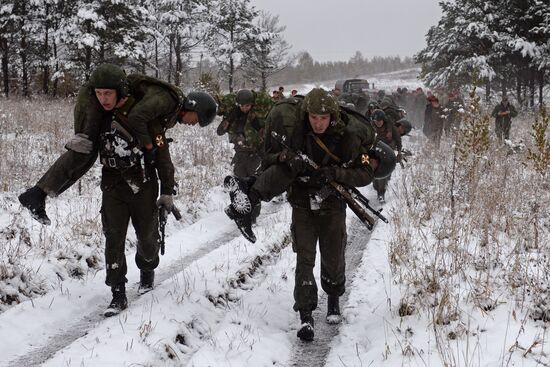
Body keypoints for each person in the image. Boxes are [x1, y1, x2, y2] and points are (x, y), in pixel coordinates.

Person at [19, 64, 217, 317]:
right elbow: (82, 153)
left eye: (109, 94)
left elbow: (163, 157)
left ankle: (147, 269)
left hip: (144, 185)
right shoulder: (101, 118)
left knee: (147, 239)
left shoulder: (150, 119)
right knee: (114, 239)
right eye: (100, 94)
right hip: (112, 183)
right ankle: (118, 293)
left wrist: (166, 192)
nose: (104, 100)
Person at [224, 88, 395, 342]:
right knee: (304, 258)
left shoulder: (348, 137)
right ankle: (306, 315)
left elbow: (365, 173)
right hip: (302, 201)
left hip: (333, 203)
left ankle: (334, 299)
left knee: (334, 255)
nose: (318, 123)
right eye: (314, 118)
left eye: (323, 118)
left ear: (332, 117)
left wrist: (336, 174)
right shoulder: (295, 129)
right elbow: (269, 158)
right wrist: (286, 157)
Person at [216, 89, 264, 177]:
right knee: (239, 176)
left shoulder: (257, 115)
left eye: (247, 106)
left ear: (252, 104)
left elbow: (263, 134)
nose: (244, 108)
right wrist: (229, 119)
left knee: (254, 177)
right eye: (242, 106)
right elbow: (220, 131)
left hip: (256, 152)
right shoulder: (234, 114)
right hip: (241, 152)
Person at [370, 109, 402, 203]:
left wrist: (399, 152)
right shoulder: (371, 127)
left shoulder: (390, 127)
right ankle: (378, 189)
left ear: (383, 120)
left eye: (379, 121)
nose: (378, 123)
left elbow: (398, 139)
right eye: (376, 121)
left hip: (387, 154)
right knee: (374, 176)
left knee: (383, 174)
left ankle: (381, 193)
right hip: (375, 152)